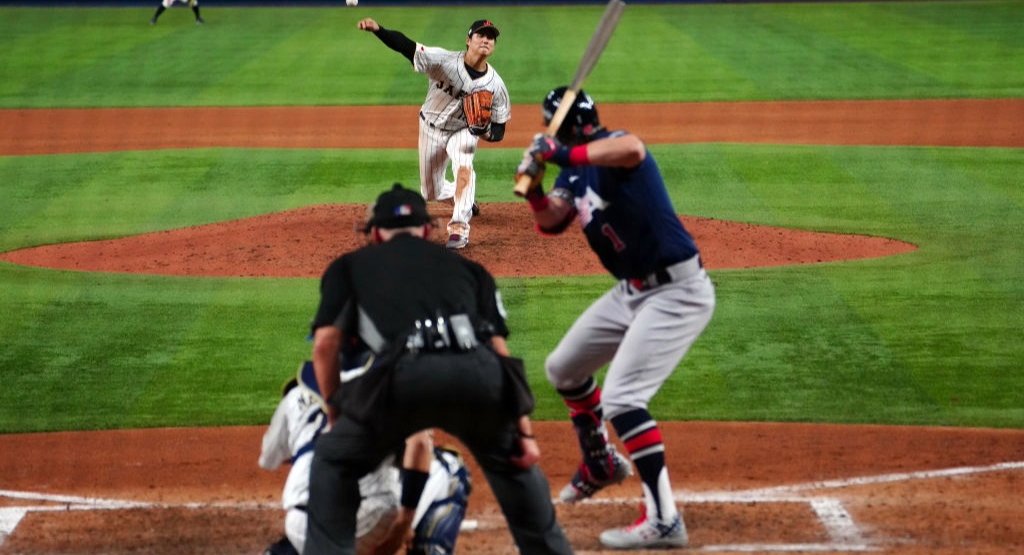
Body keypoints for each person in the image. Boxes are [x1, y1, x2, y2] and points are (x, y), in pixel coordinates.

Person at [304, 183, 573, 555]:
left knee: (333, 460)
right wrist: (522, 433)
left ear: (377, 234)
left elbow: (325, 345)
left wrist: (337, 414)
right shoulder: (471, 270)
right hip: (478, 377)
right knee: (517, 469)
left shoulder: (348, 267)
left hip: (403, 380)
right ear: (427, 230)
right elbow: (500, 351)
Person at [513, 87, 716, 549]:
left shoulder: (614, 146)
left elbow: (632, 148)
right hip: (632, 292)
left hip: (678, 291)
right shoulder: (575, 173)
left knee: (624, 399)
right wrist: (537, 186)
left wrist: (561, 152)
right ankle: (599, 461)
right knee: (563, 368)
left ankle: (665, 519)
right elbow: (551, 220)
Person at [259, 360, 472, 555]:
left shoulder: (296, 394)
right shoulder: (392, 384)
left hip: (298, 523)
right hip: (368, 521)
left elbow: (271, 458)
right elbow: (419, 444)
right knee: (450, 468)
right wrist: (404, 524)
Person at [356, 18, 511, 250]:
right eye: (481, 36)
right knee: (431, 190)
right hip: (430, 128)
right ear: (468, 41)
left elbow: (498, 131)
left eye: (491, 38)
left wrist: (483, 131)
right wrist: (379, 30)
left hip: (463, 131)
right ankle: (464, 201)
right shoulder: (444, 61)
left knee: (464, 165)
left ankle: (459, 229)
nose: (486, 40)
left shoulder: (496, 86)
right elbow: (406, 47)